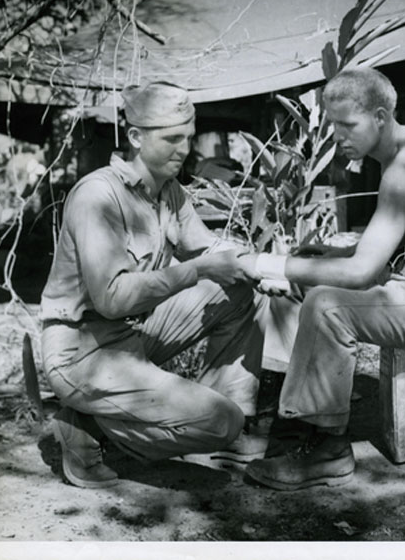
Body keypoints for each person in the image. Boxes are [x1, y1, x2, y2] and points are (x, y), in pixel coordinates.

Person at [239, 67, 405, 491]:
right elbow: (382, 251)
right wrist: (328, 255)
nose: (337, 136)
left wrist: (265, 264)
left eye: (348, 124)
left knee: (327, 305)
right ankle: (294, 419)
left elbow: (362, 272)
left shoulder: (404, 166)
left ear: (380, 118)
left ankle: (327, 449)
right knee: (315, 271)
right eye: (333, 124)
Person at [40, 80, 266, 489]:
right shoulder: (99, 196)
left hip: (132, 334)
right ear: (135, 138)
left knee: (236, 290)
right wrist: (197, 271)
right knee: (221, 421)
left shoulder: (170, 191)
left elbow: (209, 247)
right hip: (82, 351)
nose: (183, 149)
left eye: (189, 138)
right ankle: (87, 427)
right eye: (171, 138)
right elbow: (112, 299)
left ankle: (214, 415)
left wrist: (267, 266)